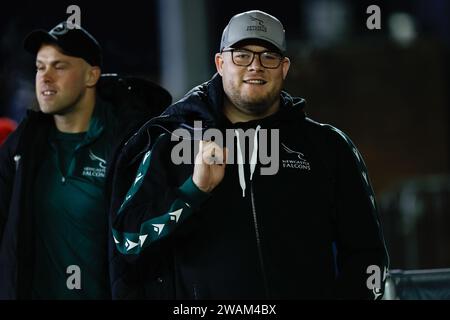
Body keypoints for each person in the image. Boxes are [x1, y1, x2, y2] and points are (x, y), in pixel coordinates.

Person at [110, 10, 389, 299]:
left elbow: (367, 255)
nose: (256, 66)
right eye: (241, 55)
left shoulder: (328, 146)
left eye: (268, 56)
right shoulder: (171, 143)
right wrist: (194, 190)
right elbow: (128, 242)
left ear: (284, 67)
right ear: (220, 63)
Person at [0, 22, 171, 299]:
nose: (45, 77)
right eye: (40, 67)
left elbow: (153, 234)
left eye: (60, 66)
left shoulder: (132, 144)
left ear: (91, 76)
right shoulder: (23, 144)